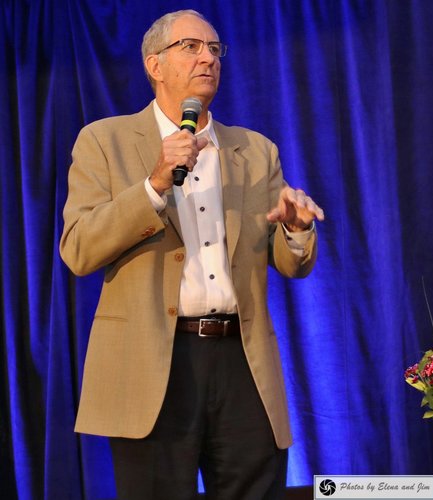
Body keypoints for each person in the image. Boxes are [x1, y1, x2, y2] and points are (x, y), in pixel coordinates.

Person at [59, 9, 324, 499]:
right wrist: (154, 186)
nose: (208, 58)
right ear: (154, 65)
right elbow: (78, 249)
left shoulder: (255, 150)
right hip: (153, 359)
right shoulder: (104, 140)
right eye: (191, 47)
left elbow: (292, 264)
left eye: (215, 49)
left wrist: (295, 227)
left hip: (241, 358)